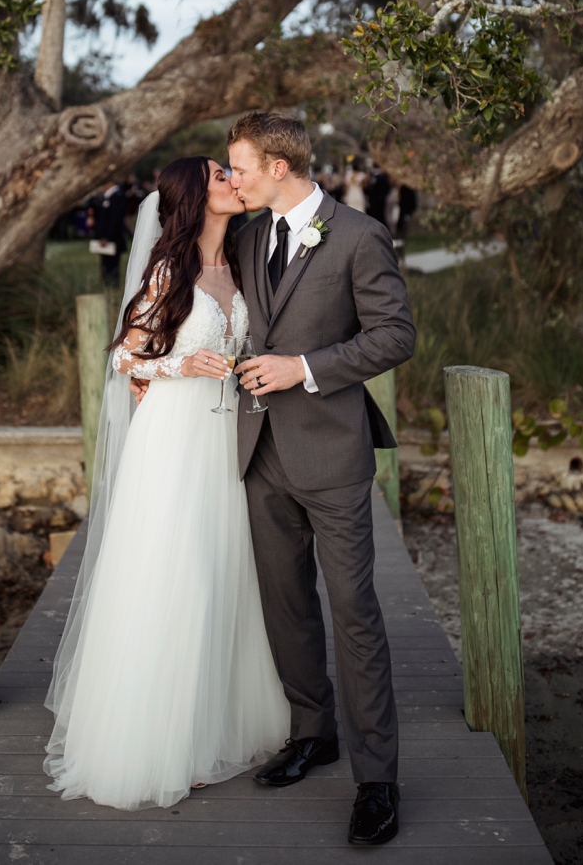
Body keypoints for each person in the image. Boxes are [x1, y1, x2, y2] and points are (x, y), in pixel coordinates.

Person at [44, 158, 289, 809]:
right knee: (178, 575)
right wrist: (179, 362)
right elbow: (126, 352)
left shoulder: (242, 263)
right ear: (192, 196)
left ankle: (215, 722)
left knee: (222, 572)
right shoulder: (167, 269)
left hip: (225, 442)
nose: (232, 181)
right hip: (174, 441)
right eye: (218, 176)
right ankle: (163, 739)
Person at [227, 111, 416, 848]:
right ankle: (313, 732)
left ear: (278, 166)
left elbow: (395, 334)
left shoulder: (360, 236)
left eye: (238, 165)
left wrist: (304, 368)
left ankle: (377, 780)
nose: (231, 177)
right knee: (286, 606)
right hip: (260, 451)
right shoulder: (247, 238)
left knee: (354, 612)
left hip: (332, 456)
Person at [86, 180, 128, 284]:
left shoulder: (117, 197)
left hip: (113, 238)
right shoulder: (104, 197)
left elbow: (114, 220)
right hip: (104, 236)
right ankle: (106, 282)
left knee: (112, 263)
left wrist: (107, 237)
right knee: (105, 262)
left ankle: (112, 283)